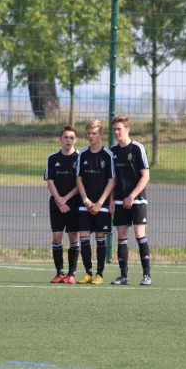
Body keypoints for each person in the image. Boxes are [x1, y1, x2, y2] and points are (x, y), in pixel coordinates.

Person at [109, 115, 152, 286]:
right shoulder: (113, 151)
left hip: (137, 199)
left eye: (119, 129)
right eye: (114, 129)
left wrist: (132, 195)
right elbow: (112, 179)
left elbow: (146, 176)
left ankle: (146, 275)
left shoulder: (137, 148)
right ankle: (123, 276)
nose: (116, 132)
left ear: (127, 129)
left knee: (139, 234)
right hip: (119, 200)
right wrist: (112, 200)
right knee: (122, 235)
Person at [75, 119, 115, 285]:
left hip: (102, 205)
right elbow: (78, 179)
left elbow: (112, 180)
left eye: (94, 133)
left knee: (100, 238)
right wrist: (85, 200)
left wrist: (100, 203)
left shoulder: (108, 155)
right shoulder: (82, 154)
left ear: (101, 134)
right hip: (85, 205)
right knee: (83, 237)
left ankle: (99, 274)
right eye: (89, 133)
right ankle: (87, 273)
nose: (91, 136)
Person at [44, 125, 81, 284]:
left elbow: (81, 183)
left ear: (75, 139)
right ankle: (59, 272)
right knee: (57, 236)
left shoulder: (80, 157)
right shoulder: (52, 158)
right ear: (61, 139)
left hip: (74, 203)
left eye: (72, 138)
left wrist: (66, 199)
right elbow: (50, 182)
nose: (68, 140)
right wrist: (59, 200)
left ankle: (71, 274)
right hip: (56, 203)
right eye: (66, 137)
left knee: (73, 236)